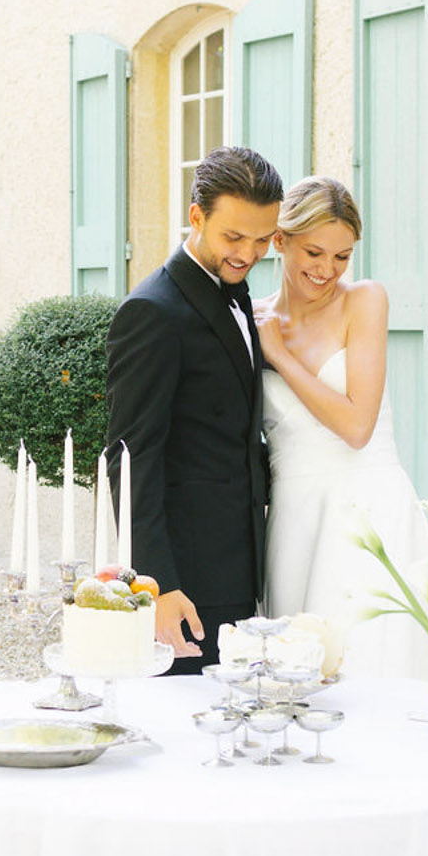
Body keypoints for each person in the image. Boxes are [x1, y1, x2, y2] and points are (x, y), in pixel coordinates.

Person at [106, 146, 283, 667]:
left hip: (242, 565)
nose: (248, 254)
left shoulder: (236, 292)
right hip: (187, 580)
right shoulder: (152, 312)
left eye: (262, 240)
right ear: (196, 217)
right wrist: (158, 584)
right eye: (234, 237)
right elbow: (130, 458)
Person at [255, 176, 428, 677]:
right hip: (294, 516)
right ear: (279, 241)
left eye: (342, 256)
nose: (327, 270)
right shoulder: (251, 317)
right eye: (314, 252)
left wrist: (279, 357)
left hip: (369, 509)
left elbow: (358, 426)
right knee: (296, 672)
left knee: (370, 666)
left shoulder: (365, 301)